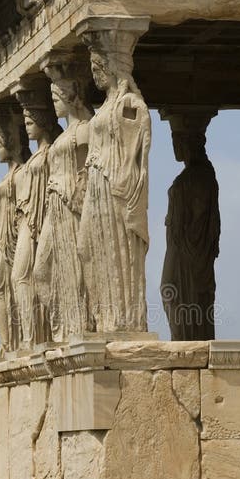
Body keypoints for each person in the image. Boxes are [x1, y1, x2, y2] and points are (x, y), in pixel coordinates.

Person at [78, 42, 151, 332]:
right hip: (96, 183)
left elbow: (140, 138)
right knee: (87, 247)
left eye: (99, 67)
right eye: (94, 68)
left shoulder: (128, 103)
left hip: (112, 183)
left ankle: (122, 321)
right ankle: (104, 318)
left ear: (114, 67)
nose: (95, 74)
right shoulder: (108, 106)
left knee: (113, 246)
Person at [34, 60, 94, 341]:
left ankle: (79, 326)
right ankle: (65, 327)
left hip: (70, 205)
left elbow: (87, 176)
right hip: (54, 206)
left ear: (71, 97)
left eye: (57, 97)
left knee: (75, 268)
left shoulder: (83, 131)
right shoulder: (67, 135)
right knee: (42, 272)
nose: (54, 103)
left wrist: (75, 201)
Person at [161, 127, 220, 340]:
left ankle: (187, 340)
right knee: (170, 289)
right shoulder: (194, 173)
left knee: (171, 288)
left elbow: (201, 213)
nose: (175, 145)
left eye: (178, 139)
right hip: (179, 243)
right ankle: (184, 339)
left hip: (189, 248)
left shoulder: (201, 174)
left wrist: (187, 244)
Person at [11, 104, 61, 347]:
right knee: (20, 277)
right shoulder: (34, 158)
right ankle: (32, 338)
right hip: (28, 219)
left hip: (44, 217)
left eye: (31, 122)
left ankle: (57, 327)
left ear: (43, 122)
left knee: (37, 274)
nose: (27, 126)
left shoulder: (51, 152)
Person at [0, 107, 27, 355]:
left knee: (0, 287)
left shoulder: (22, 173)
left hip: (12, 235)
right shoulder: (10, 175)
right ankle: (10, 342)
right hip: (0, 236)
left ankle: (14, 342)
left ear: (12, 141)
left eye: (0, 140)